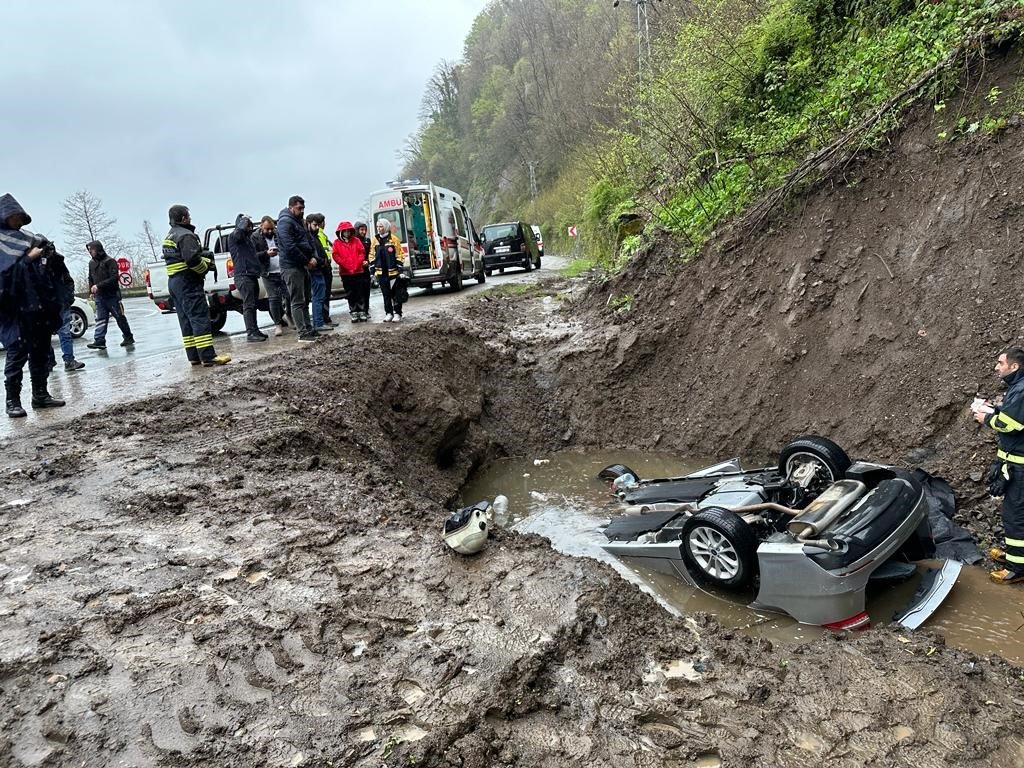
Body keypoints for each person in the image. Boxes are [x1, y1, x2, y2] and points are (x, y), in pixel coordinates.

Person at [0, 194, 66, 416]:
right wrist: (28, 259)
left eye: (20, 216)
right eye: (13, 216)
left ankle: (40, 395)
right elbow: (5, 277)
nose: (17, 220)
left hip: (38, 307)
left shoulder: (29, 238)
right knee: (17, 355)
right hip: (15, 310)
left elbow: (51, 267)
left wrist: (48, 254)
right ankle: (13, 401)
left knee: (41, 353)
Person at [974, 347, 1024, 585]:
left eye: (1000, 363)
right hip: (1015, 465)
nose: (996, 367)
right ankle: (1016, 557)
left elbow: (1010, 423)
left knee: (1015, 516)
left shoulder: (1022, 390)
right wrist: (993, 409)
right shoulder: (1018, 388)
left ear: (1014, 366)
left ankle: (1017, 568)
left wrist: (986, 418)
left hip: (1020, 469)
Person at [162, 205, 230, 366]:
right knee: (199, 317)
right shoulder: (186, 235)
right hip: (188, 283)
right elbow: (192, 260)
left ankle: (193, 356)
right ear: (184, 218)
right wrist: (205, 268)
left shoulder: (170, 235)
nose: (190, 218)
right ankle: (208, 356)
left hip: (174, 282)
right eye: (188, 215)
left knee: (185, 320)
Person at [277, 196, 318, 342]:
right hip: (292, 266)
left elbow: (309, 239)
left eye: (303, 208)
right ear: (291, 207)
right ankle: (302, 332)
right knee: (297, 300)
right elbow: (289, 247)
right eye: (299, 208)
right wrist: (307, 260)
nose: (301, 211)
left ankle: (308, 328)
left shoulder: (298, 221)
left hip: (301, 265)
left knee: (305, 299)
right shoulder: (285, 222)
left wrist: (313, 256)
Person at [86, 240, 135, 350]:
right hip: (99, 296)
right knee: (101, 319)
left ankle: (128, 336)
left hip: (112, 295)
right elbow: (90, 278)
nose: (90, 252)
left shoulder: (110, 261)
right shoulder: (91, 263)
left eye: (92, 250)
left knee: (119, 317)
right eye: (89, 250)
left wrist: (99, 286)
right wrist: (91, 291)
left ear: (98, 249)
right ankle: (99, 340)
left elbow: (114, 278)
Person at [228, 214, 267, 342]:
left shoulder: (246, 239)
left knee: (253, 304)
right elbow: (238, 232)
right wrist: (243, 220)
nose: (249, 228)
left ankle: (254, 330)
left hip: (251, 275)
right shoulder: (235, 236)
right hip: (243, 276)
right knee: (249, 304)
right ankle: (251, 333)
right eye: (247, 226)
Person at [48, 244, 84, 371]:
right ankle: (49, 361)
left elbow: (68, 280)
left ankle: (68, 360)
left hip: (61, 301)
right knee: (45, 334)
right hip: (45, 304)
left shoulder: (59, 263)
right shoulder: (34, 265)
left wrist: (69, 296)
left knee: (64, 331)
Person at [253, 216, 289, 336]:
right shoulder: (255, 237)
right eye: (266, 229)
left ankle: (289, 317)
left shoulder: (278, 234)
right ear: (261, 227)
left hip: (283, 270)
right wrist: (266, 253)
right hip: (268, 273)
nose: (269, 231)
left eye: (271, 229)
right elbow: (253, 255)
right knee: (273, 299)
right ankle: (278, 325)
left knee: (289, 296)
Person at [369, 218, 406, 322]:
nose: (379, 229)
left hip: (392, 271)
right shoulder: (375, 240)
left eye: (381, 226)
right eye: (377, 226)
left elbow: (400, 254)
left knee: (395, 294)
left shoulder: (394, 239)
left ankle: (397, 313)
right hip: (381, 272)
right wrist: (372, 269)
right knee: (386, 294)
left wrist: (400, 269)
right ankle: (388, 313)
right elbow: (371, 255)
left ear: (386, 227)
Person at [332, 221, 369, 322]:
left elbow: (362, 252)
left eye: (349, 231)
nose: (347, 233)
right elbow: (335, 255)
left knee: (360, 292)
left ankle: (362, 311)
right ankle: (353, 312)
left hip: (358, 271)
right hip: (346, 273)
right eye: (345, 232)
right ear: (341, 232)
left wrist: (358, 263)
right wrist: (345, 264)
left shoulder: (356, 241)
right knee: (350, 293)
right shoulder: (337, 243)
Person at [307, 212, 336, 327]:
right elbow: (312, 253)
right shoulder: (310, 237)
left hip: (323, 267)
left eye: (318, 224)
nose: (317, 227)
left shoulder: (317, 236)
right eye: (315, 225)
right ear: (308, 224)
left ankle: (323, 320)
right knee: (318, 296)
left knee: (322, 295)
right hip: (317, 269)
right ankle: (319, 322)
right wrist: (320, 261)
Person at [354, 220, 373, 318]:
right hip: (356, 270)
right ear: (357, 230)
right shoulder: (353, 241)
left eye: (365, 230)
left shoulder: (367, 241)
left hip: (365, 269)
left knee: (366, 290)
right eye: (361, 230)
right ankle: (358, 310)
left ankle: (366, 310)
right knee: (358, 291)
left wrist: (368, 262)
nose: (363, 232)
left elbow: (370, 253)